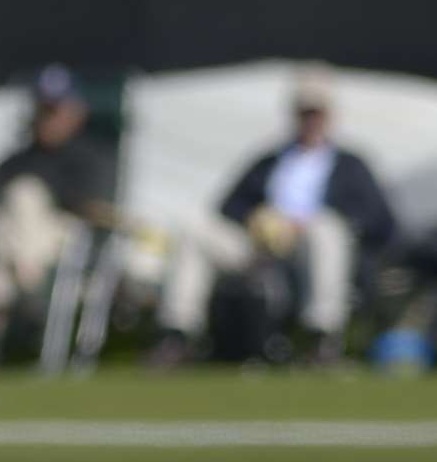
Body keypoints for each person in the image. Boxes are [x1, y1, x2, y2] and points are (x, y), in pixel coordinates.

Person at [150, 66, 397, 366]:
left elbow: (380, 219)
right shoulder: (270, 160)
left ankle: (321, 336)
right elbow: (229, 206)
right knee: (193, 227)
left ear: (329, 115)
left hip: (311, 247)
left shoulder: (351, 165)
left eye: (316, 112)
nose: (310, 120)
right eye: (304, 112)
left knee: (325, 228)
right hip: (260, 246)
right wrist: (258, 218)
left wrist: (306, 223)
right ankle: (177, 333)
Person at [0, 65, 115, 365]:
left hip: (67, 239)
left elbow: (95, 210)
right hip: (19, 243)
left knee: (24, 195)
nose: (48, 118)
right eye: (43, 110)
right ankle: (27, 290)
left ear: (75, 112)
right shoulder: (15, 159)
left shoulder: (89, 156)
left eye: (55, 110)